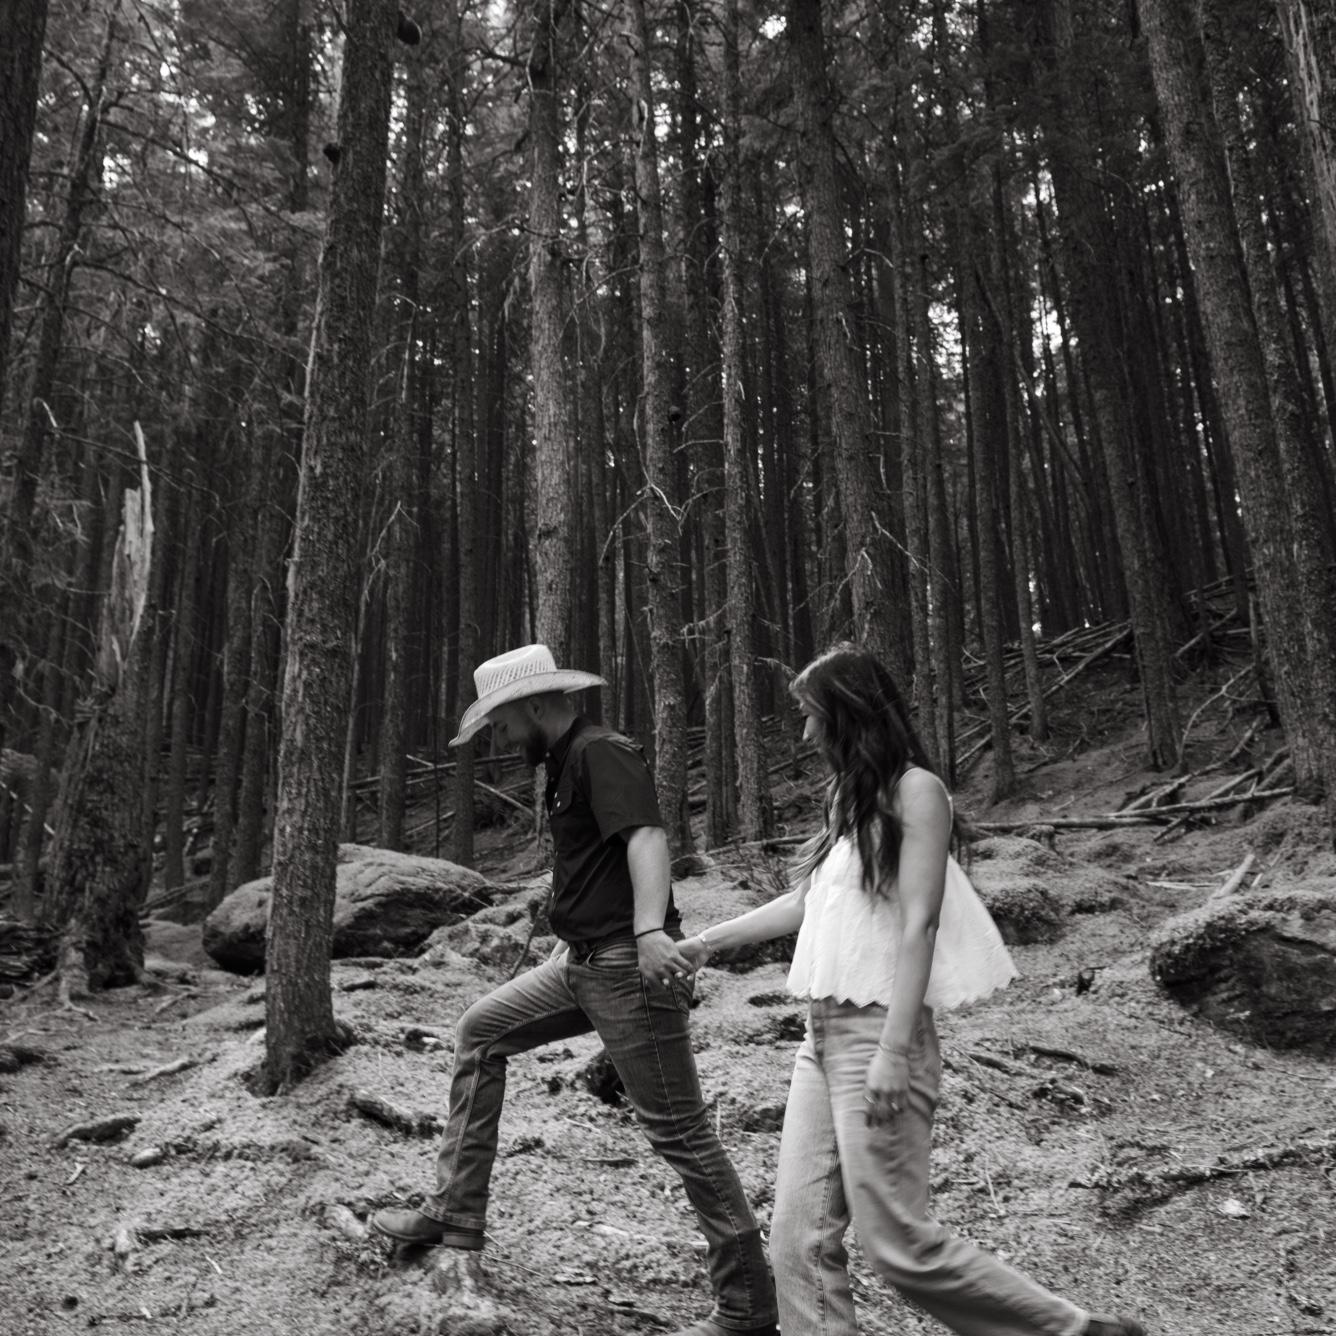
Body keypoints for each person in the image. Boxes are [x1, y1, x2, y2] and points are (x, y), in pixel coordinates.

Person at [679, 643, 1147, 1336]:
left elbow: (920, 922)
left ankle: (1074, 1331)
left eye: (811, 715)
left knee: (897, 1244)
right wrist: (705, 942)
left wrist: (894, 1051)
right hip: (820, 1037)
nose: (805, 733)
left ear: (848, 713)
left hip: (880, 1034)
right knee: (796, 1242)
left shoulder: (918, 791)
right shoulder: (848, 797)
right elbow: (805, 902)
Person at [372, 644, 778, 1336]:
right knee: (479, 1033)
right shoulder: (563, 763)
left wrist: (649, 931)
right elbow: (594, 863)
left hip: (627, 969)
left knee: (681, 1135)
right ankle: (455, 1212)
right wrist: (570, 932)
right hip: (580, 964)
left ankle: (747, 1308)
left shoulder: (599, 752)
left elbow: (646, 838)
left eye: (502, 723)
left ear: (534, 706)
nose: (501, 739)